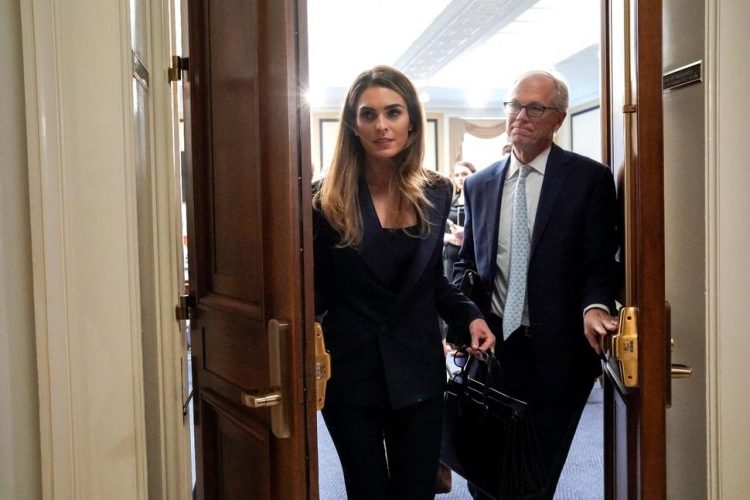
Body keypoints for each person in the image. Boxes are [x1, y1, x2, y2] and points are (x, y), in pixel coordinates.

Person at [312, 65, 495, 500]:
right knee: (367, 489)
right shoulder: (324, 199)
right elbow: (312, 291)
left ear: (411, 120)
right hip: (351, 372)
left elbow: (431, 282)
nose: (381, 125)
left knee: (417, 489)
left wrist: (468, 316)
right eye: (368, 114)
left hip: (417, 369)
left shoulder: (436, 191)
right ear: (353, 126)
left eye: (392, 112)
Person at [454, 70, 620, 499]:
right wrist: (465, 320)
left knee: (535, 474)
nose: (520, 116)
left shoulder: (588, 180)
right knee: (483, 470)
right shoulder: (479, 184)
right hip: (494, 349)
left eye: (535, 108)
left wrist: (595, 307)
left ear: (558, 118)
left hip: (559, 354)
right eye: (513, 105)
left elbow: (600, 262)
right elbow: (468, 265)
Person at [443, 160, 476, 278]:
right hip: (449, 259)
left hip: (472, 259)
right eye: (457, 175)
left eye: (464, 174)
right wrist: (450, 237)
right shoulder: (449, 201)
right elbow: (435, 232)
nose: (460, 178)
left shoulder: (480, 201)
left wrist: (466, 233)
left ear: (474, 174)